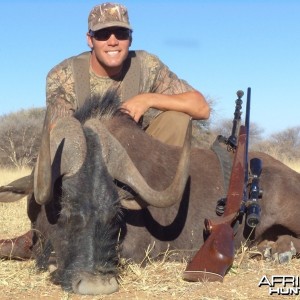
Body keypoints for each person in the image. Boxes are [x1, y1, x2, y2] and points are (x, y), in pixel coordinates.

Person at [46, 2, 210, 146]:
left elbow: (202, 108)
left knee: (176, 120)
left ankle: (162, 181)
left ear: (130, 39)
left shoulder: (147, 65)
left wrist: (148, 99)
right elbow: (58, 131)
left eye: (121, 33)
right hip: (86, 161)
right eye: (103, 34)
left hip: (135, 157)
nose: (112, 41)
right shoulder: (63, 74)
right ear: (90, 39)